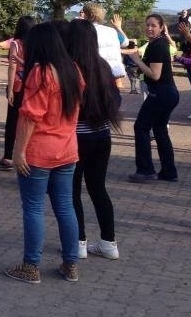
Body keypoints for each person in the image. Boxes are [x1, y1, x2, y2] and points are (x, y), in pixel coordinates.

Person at [5, 22, 84, 284]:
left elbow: (30, 117)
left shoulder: (40, 73)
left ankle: (31, 266)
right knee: (65, 206)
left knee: (34, 208)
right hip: (67, 150)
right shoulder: (72, 70)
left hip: (38, 151)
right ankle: (71, 264)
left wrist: (18, 151)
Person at [64, 19, 122, 260]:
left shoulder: (69, 68)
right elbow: (115, 100)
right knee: (98, 188)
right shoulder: (103, 67)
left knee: (73, 190)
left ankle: (79, 242)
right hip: (102, 135)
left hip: (76, 138)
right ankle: (109, 242)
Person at [126, 14, 180, 183]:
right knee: (160, 130)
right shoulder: (156, 44)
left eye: (154, 25)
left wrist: (136, 60)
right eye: (147, 25)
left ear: (162, 27)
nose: (149, 28)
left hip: (162, 93)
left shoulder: (158, 46)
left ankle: (145, 170)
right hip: (167, 93)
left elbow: (155, 75)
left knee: (141, 127)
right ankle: (169, 172)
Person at [0, 16, 35, 171]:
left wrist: (9, 90)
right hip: (32, 85)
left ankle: (8, 156)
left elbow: (12, 67)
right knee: (30, 120)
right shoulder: (36, 44)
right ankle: (29, 155)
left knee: (12, 122)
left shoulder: (16, 43)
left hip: (18, 85)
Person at [79, 2, 127, 80]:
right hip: (113, 71)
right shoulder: (112, 31)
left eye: (83, 12)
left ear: (88, 15)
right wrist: (118, 27)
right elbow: (125, 42)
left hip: (94, 73)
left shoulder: (83, 31)